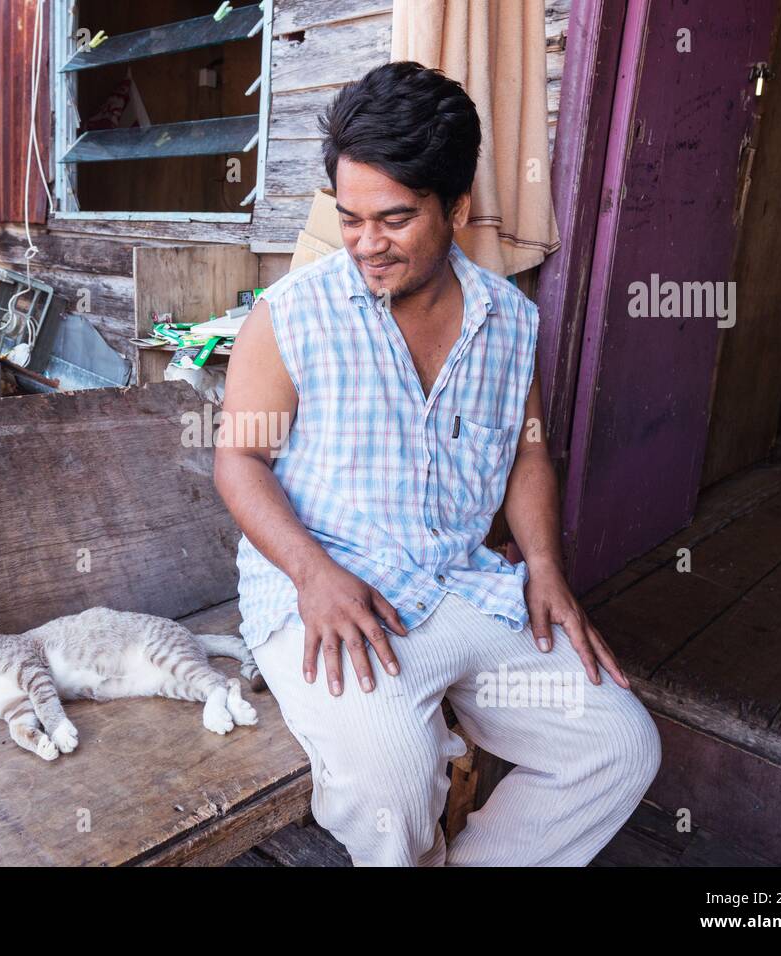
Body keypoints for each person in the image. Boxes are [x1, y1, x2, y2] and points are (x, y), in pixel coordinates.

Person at [214, 61, 661, 866]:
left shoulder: (507, 320)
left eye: (393, 220)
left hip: (461, 583)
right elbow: (238, 458)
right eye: (349, 218)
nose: (365, 244)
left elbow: (528, 452)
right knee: (394, 785)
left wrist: (547, 568)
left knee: (619, 746)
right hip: (328, 590)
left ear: (455, 209)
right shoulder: (291, 315)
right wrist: (313, 575)